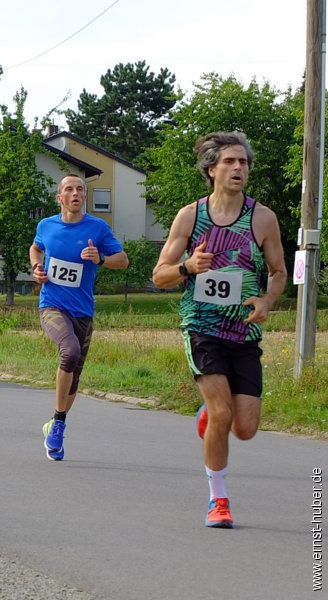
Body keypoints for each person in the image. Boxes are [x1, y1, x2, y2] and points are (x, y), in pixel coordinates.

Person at [151, 131, 286, 529]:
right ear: (211, 170)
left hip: (243, 332)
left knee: (244, 428)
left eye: (243, 162)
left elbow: (278, 272)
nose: (238, 168)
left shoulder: (262, 218)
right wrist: (187, 268)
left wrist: (266, 301)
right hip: (202, 327)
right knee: (223, 411)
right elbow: (159, 275)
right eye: (229, 162)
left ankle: (210, 417)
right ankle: (219, 500)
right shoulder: (190, 216)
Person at [29, 174, 129, 460]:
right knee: (69, 352)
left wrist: (99, 259)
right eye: (69, 189)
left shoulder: (97, 228)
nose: (75, 193)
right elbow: (35, 248)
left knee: (74, 378)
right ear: (60, 197)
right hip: (51, 305)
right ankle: (59, 425)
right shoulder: (46, 225)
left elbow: (123, 260)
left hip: (83, 311)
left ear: (84, 197)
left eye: (80, 190)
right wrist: (37, 268)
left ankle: (54, 421)